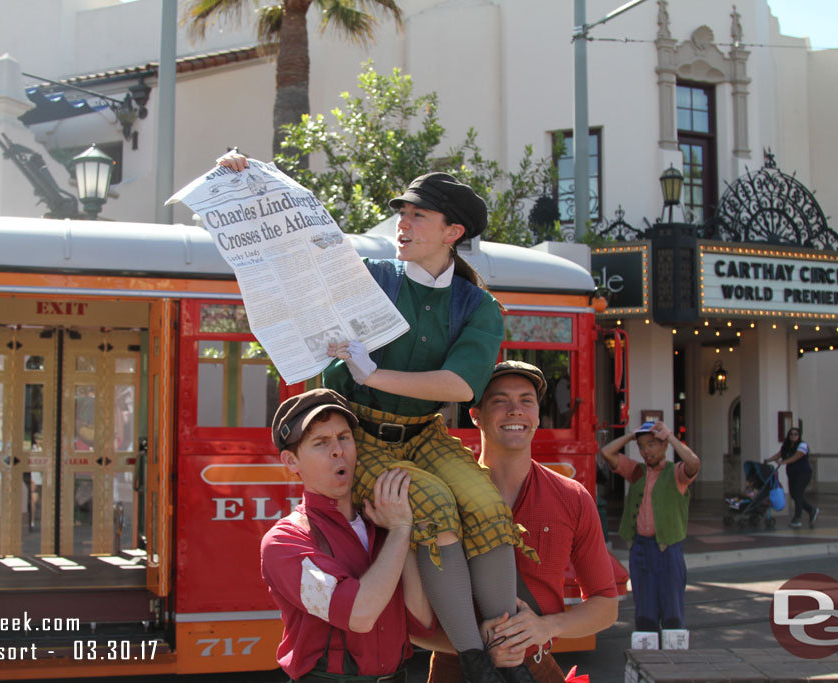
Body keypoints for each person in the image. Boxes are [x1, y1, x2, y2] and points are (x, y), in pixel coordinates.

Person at [219, 153, 530, 683]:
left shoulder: (477, 305)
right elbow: (295, 256)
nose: (402, 224)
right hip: (361, 430)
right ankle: (476, 660)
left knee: (484, 501)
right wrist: (251, 183)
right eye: (402, 214)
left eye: (417, 216)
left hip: (423, 432)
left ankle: (508, 650)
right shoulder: (371, 276)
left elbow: (459, 386)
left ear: (452, 232)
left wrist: (372, 372)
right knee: (429, 502)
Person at [429, 361, 619, 683]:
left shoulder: (572, 498)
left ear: (537, 416)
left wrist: (548, 627)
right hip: (455, 668)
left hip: (536, 669)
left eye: (526, 401)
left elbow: (605, 604)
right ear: (476, 415)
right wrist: (475, 644)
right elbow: (405, 623)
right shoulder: (440, 498)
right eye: (500, 401)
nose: (515, 410)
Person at [260, 388, 434, 682]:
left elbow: (422, 620)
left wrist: (400, 530)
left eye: (344, 437)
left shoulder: (384, 524)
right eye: (320, 442)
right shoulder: (285, 541)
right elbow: (360, 614)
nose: (338, 450)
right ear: (291, 462)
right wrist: (401, 531)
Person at [600, 420, 700, 646]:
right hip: (640, 548)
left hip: (667, 549)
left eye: (652, 445)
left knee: (672, 604)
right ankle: (649, 656)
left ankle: (673, 660)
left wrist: (671, 437)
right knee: (644, 606)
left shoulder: (676, 473)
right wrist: (630, 436)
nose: (646, 451)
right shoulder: (637, 471)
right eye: (642, 446)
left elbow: (694, 463)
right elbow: (606, 452)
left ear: (664, 446)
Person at [765, 427, 818, 528]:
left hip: (803, 473)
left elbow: (797, 456)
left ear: (799, 436)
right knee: (794, 495)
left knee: (797, 493)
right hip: (792, 474)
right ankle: (811, 510)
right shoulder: (786, 446)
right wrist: (769, 460)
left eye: (795, 434)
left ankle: (797, 518)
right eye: (791, 434)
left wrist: (784, 462)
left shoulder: (803, 445)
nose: (793, 436)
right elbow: (779, 454)